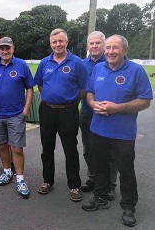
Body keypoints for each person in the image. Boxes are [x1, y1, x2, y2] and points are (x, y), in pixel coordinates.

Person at [82, 35, 152, 227]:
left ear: (125, 50)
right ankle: (100, 197)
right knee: (100, 167)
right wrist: (92, 103)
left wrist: (117, 108)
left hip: (123, 133)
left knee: (126, 170)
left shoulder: (136, 71)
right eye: (108, 48)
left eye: (115, 48)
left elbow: (145, 101)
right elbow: (90, 92)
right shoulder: (98, 68)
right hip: (97, 129)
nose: (111, 52)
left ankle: (128, 207)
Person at [34, 28, 88, 202]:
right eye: (54, 42)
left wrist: (70, 102)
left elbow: (83, 88)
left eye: (60, 41)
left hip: (68, 111)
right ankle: (47, 181)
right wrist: (52, 98)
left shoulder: (77, 62)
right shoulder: (44, 63)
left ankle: (74, 186)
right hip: (47, 110)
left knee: (70, 149)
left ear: (66, 42)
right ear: (51, 44)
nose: (57, 44)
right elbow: (40, 85)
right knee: (47, 148)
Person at [0, 37, 35, 199]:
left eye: (7, 48)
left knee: (16, 148)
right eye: (2, 48)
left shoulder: (21, 65)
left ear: (13, 49)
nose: (5, 51)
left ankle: (20, 179)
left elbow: (30, 88)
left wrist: (26, 109)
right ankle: (7, 172)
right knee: (2, 146)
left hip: (16, 114)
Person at [79, 31, 118, 200]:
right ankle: (93, 178)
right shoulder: (82, 64)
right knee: (89, 150)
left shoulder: (111, 60)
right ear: (87, 46)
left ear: (103, 45)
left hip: (109, 115)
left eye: (97, 43)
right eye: (91, 43)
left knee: (109, 152)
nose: (94, 46)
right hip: (87, 113)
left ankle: (110, 184)